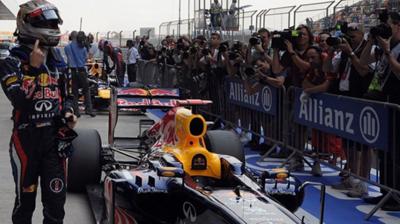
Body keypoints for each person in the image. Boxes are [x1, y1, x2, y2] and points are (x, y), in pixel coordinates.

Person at [0, 1, 78, 223]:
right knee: (25, 205)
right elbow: (17, 100)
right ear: (27, 24)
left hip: (55, 142)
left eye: (54, 22)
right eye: (48, 23)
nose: (53, 27)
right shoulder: (12, 61)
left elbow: (69, 95)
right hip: (26, 141)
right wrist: (33, 70)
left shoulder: (56, 59)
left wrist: (70, 113)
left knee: (56, 207)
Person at [64, 31, 95, 117]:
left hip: (73, 71)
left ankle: (76, 112)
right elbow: (86, 59)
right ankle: (89, 110)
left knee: (75, 92)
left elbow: (67, 56)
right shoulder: (83, 48)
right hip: (82, 71)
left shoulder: (67, 47)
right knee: (86, 90)